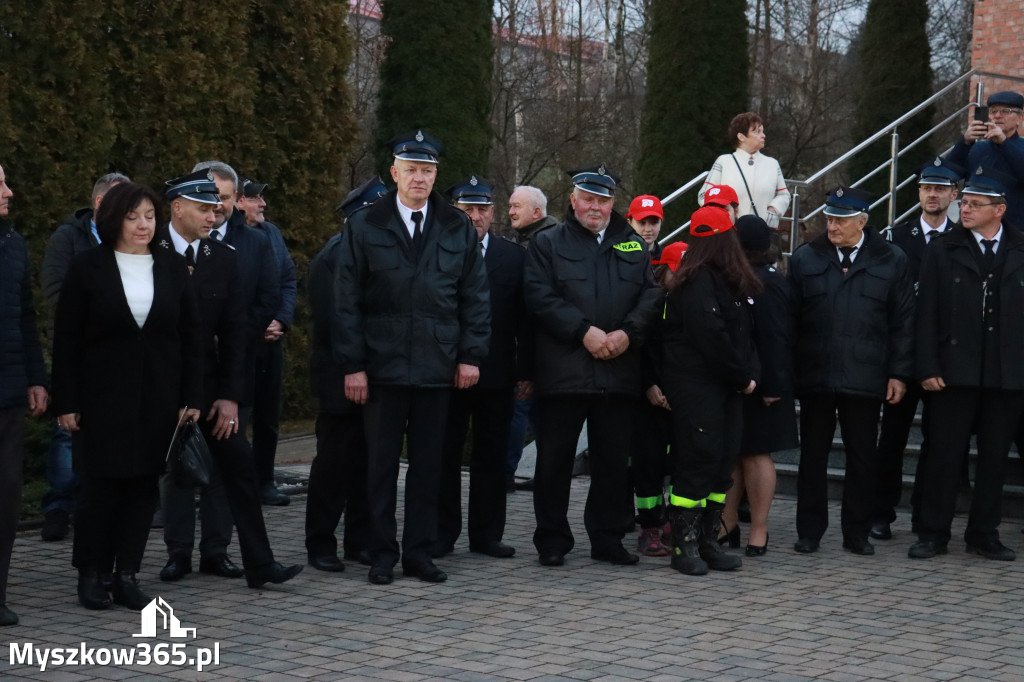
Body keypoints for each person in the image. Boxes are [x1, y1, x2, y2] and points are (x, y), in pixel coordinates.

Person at [334, 131, 490, 585]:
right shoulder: (365, 225)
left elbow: (474, 298)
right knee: (380, 466)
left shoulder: (455, 225)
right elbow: (346, 302)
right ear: (394, 173)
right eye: (411, 170)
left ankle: (420, 553)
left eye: (427, 171)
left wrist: (470, 356)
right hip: (380, 367)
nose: (419, 178)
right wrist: (354, 364)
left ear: (436, 175)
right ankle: (382, 552)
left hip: (437, 365)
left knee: (429, 466)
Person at [52, 181, 203, 611]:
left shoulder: (172, 267)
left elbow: (191, 337)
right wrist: (67, 401)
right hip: (101, 400)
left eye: (150, 216)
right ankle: (91, 573)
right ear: (113, 219)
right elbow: (66, 340)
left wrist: (192, 395)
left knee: (141, 489)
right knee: (101, 488)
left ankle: (127, 574)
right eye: (133, 216)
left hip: (158, 398)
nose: (142, 225)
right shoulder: (88, 267)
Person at [156, 170, 302, 590]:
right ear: (178, 208)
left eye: (216, 205)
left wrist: (230, 397)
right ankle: (151, 561)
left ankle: (259, 563)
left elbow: (237, 332)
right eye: (204, 207)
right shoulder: (151, 252)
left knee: (239, 470)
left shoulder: (223, 257)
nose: (214, 213)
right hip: (165, 393)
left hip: (212, 390)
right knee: (162, 475)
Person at [523, 164, 661, 568]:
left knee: (613, 463)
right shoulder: (547, 243)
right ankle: (552, 539)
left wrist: (627, 334)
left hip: (618, 373)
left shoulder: (633, 246)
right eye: (587, 198)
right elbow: (538, 297)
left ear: (613, 203)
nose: (594, 206)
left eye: (602, 199)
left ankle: (607, 538)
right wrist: (583, 331)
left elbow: (651, 297)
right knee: (553, 463)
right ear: (573, 200)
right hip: (564, 372)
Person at [788, 186, 914, 556]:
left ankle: (856, 532)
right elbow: (790, 321)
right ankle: (809, 530)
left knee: (862, 456)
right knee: (813, 456)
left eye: (841, 219)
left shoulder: (891, 259)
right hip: (817, 374)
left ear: (862, 221)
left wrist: (899, 373)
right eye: (829, 218)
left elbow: (903, 322)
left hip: (867, 375)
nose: (832, 225)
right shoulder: (805, 259)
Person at [910, 166, 1024, 561]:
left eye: (976, 204)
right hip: (952, 371)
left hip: (1005, 373)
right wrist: (926, 366)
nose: (967, 209)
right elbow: (925, 313)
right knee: (945, 455)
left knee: (994, 459)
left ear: (1000, 210)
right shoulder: (945, 248)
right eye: (965, 203)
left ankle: (983, 533)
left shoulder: (1020, 249)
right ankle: (933, 533)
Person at [660, 207, 760, 576]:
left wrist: (748, 373)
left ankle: (707, 540)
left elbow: (743, 335)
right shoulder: (699, 280)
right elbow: (712, 338)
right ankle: (684, 546)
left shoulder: (727, 281)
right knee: (697, 461)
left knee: (721, 463)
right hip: (700, 387)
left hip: (725, 387)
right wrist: (742, 377)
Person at [435, 175, 526, 559]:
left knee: (491, 457)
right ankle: (442, 534)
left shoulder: (513, 256)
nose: (476, 216)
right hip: (447, 372)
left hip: (497, 372)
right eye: (467, 209)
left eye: (482, 209)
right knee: (445, 456)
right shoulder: (436, 251)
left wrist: (527, 369)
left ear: (493, 212)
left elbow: (525, 317)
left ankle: (487, 535)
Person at [873, 158, 961, 540]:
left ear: (954, 195)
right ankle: (881, 514)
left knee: (938, 442)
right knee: (891, 439)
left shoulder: (962, 239)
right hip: (902, 356)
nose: (932, 194)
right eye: (927, 188)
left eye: (940, 189)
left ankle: (927, 516)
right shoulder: (896, 238)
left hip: (944, 357)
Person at [38, 172, 129, 542]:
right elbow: (56, 289)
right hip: (78, 349)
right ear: (99, 204)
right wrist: (101, 319)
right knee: (66, 431)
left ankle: (118, 503)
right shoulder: (68, 238)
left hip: (121, 354)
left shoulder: (135, 243)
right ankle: (59, 505)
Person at [304, 176, 387, 572]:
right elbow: (335, 322)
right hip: (342, 379)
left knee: (368, 464)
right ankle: (320, 542)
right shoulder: (335, 256)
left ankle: (361, 540)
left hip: (374, 377)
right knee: (334, 465)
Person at [722, 215, 797, 557]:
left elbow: (776, 339)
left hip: (765, 386)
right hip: (742, 383)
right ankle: (727, 525)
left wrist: (773, 386)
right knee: (736, 454)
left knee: (756, 454)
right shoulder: (742, 278)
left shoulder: (768, 283)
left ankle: (760, 529)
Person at [0, 163, 49, 626]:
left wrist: (36, 378)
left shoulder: (13, 245)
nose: (10, 191)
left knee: (7, 495)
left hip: (9, 395)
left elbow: (26, 318)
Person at [236, 177, 297, 507]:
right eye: (255, 198)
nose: (263, 204)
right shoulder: (228, 237)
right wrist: (258, 324)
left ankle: (264, 481)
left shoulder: (271, 234)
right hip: (243, 342)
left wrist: (281, 320)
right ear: (237, 202)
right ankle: (233, 485)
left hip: (272, 340)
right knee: (237, 415)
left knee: (268, 417)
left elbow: (288, 279)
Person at [626, 193, 673, 557]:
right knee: (640, 457)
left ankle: (663, 521)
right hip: (633, 378)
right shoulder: (621, 256)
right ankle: (644, 522)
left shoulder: (670, 262)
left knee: (660, 459)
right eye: (642, 220)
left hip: (668, 384)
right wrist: (647, 382)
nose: (648, 227)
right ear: (629, 221)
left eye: (653, 221)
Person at [506, 185, 556, 491]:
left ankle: (508, 474)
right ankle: (545, 476)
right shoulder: (526, 240)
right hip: (531, 345)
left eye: (516, 207)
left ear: (537, 213)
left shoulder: (545, 243)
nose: (510, 211)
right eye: (510, 206)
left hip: (539, 346)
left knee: (522, 409)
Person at [699, 112, 791, 228]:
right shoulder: (724, 161)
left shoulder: (772, 164)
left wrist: (773, 210)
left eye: (762, 131)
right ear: (741, 137)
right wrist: (723, 214)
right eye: (757, 132)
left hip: (763, 234)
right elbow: (704, 195)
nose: (763, 135)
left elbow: (784, 195)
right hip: (730, 233)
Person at [947, 91, 1024, 229]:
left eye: (1006, 111)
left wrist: (1004, 143)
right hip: (974, 227)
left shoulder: (1021, 148)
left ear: (1019, 119)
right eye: (993, 111)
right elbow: (950, 173)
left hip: (1014, 229)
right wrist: (964, 142)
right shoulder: (977, 148)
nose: (998, 115)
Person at [626, 194, 665, 259]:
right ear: (630, 223)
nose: (648, 229)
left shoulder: (666, 260)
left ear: (661, 223)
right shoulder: (617, 256)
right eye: (642, 223)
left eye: (654, 223)